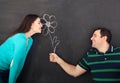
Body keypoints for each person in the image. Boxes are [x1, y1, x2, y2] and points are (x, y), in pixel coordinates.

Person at [49, 27, 120, 83]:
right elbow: (75, 72)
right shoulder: (90, 55)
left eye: (94, 36)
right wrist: (58, 60)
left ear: (104, 38)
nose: (91, 38)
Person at [0, 14, 43, 83]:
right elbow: (14, 64)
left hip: (5, 70)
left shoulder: (30, 41)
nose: (41, 25)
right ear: (31, 24)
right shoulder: (21, 40)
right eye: (39, 23)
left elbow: (20, 62)